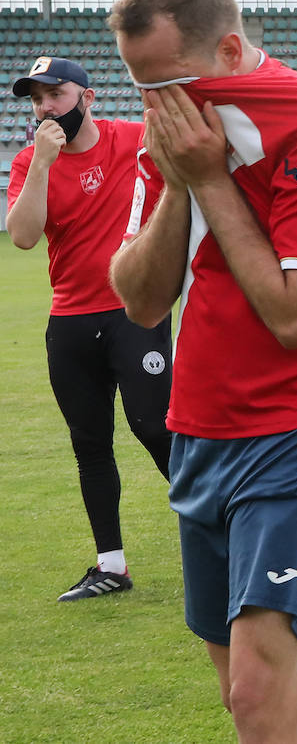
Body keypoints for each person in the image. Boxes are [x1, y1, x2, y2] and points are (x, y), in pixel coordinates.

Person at [108, 0, 297, 744]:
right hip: (202, 430)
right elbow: (140, 299)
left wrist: (210, 181)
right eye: (139, 86)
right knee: (254, 697)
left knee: (260, 705)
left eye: (168, 81)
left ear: (229, 49)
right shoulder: (178, 133)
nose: (156, 104)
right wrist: (176, 184)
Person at [6, 55, 174, 602]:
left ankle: (228, 527)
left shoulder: (132, 139)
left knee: (155, 427)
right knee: (90, 444)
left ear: (88, 97)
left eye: (55, 94)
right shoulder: (32, 161)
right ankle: (112, 565)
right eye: (36, 99)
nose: (45, 107)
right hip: (70, 321)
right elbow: (24, 236)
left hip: (134, 311)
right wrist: (40, 166)